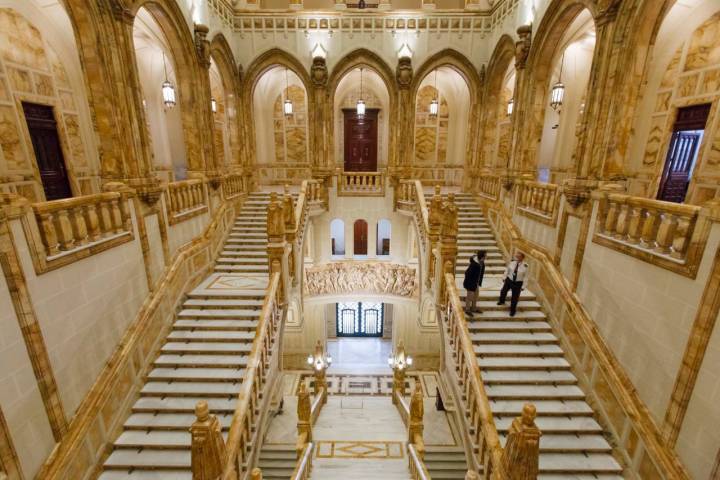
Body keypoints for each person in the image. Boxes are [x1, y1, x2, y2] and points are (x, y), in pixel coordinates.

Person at [498, 251, 528, 317]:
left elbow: (525, 277)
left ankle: (512, 311)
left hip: (518, 283)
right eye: (517, 256)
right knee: (503, 291)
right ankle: (501, 301)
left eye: (519, 256)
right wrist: (504, 277)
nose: (517, 257)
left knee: (514, 298)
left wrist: (523, 286)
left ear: (522, 258)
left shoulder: (525, 266)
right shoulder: (512, 263)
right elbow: (507, 270)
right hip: (509, 280)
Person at [463, 250, 486, 314]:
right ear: (482, 257)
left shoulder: (482, 263)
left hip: (476, 283)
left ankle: (473, 308)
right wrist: (469, 283)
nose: (486, 257)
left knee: (476, 296)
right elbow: (467, 273)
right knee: (469, 297)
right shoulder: (473, 264)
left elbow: (481, 274)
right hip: (471, 284)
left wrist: (479, 282)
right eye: (485, 256)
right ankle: (467, 310)